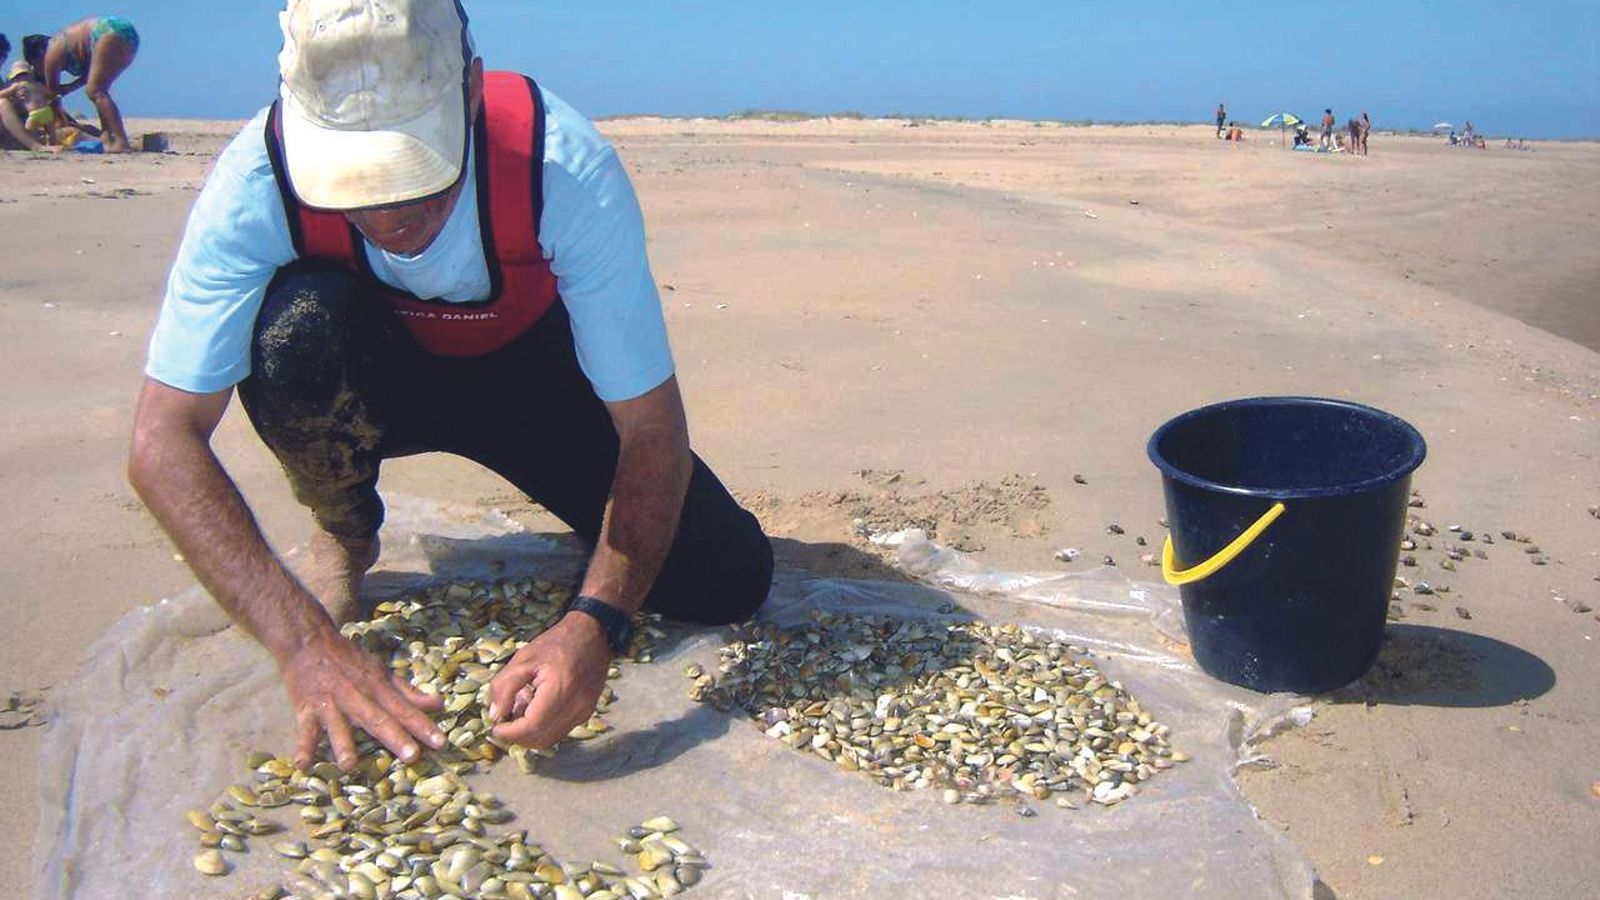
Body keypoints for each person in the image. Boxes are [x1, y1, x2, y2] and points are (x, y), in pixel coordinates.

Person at [128, 0, 774, 772]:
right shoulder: (256, 178)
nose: (387, 213)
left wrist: (595, 622)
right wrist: (304, 645)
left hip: (528, 377)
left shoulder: (560, 165)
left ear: (470, 90)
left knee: (726, 580)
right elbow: (161, 440)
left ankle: (594, 536)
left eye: (414, 170)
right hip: (363, 371)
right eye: (352, 181)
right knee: (295, 332)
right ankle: (345, 525)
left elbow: (652, 428)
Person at [35, 15, 138, 152]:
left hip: (105, 31)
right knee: (99, 91)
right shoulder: (68, 45)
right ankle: (107, 138)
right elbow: (89, 76)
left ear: (37, 57)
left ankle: (121, 141)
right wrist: (69, 88)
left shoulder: (51, 50)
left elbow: (52, 95)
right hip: (125, 33)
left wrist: (52, 131)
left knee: (96, 91)